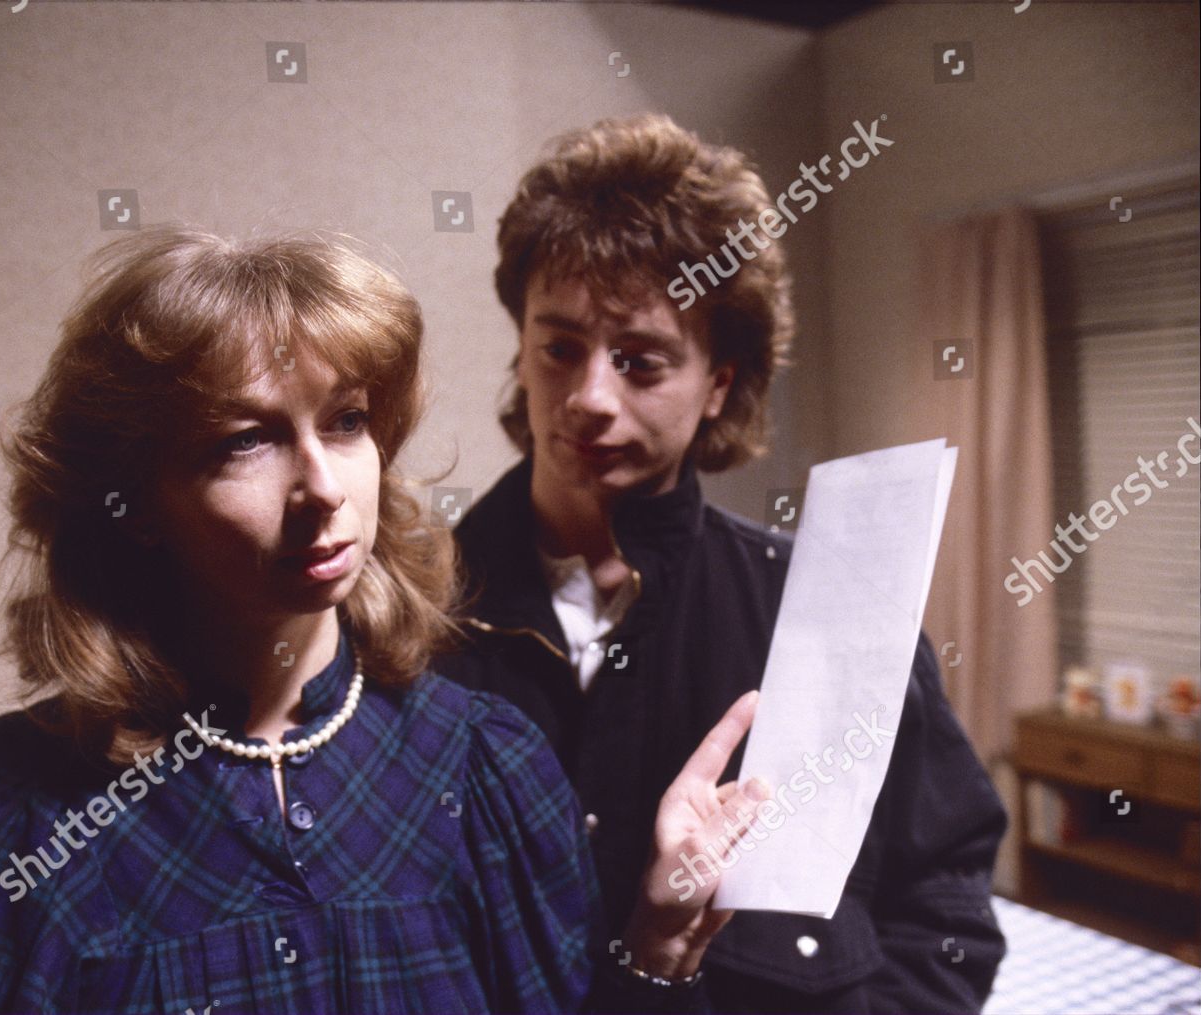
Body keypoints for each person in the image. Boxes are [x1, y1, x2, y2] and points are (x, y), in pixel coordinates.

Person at [0, 225, 774, 1013]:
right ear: (134, 498)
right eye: (245, 441)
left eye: (345, 422)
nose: (323, 488)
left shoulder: (489, 762)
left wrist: (658, 940)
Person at [431, 113, 1008, 1013]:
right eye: (560, 348)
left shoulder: (830, 612)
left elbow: (943, 902)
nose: (589, 397)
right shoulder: (408, 610)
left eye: (641, 361)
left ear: (720, 385)